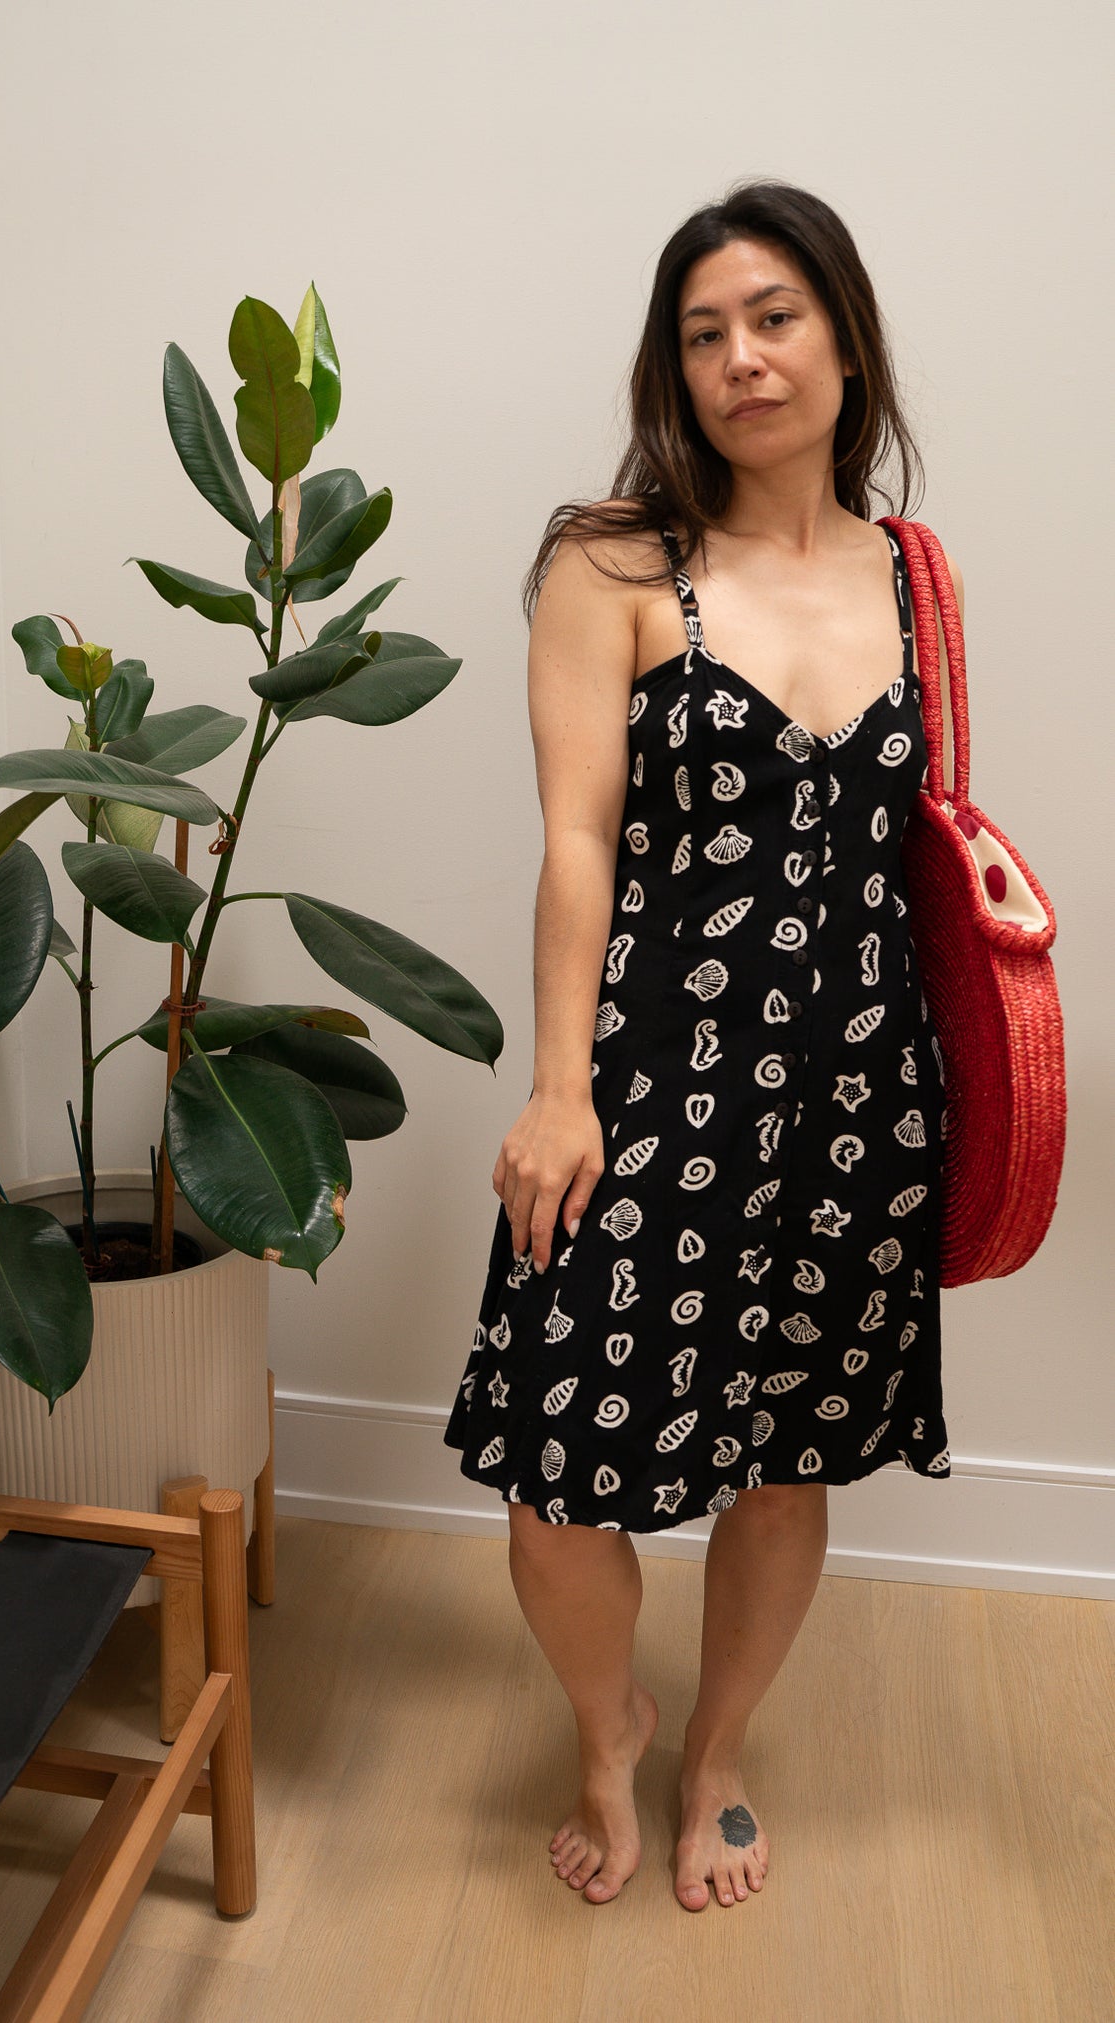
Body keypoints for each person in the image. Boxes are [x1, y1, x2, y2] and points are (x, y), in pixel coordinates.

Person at [442, 178, 960, 1913]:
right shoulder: (611, 560)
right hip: (650, 1082)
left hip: (858, 1090)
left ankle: (714, 1751)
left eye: (774, 316)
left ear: (841, 336)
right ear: (675, 369)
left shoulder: (915, 577)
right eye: (702, 331)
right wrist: (556, 1085)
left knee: (789, 1456)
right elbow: (578, 838)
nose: (741, 357)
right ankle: (608, 1729)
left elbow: (922, 854)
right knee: (555, 1462)